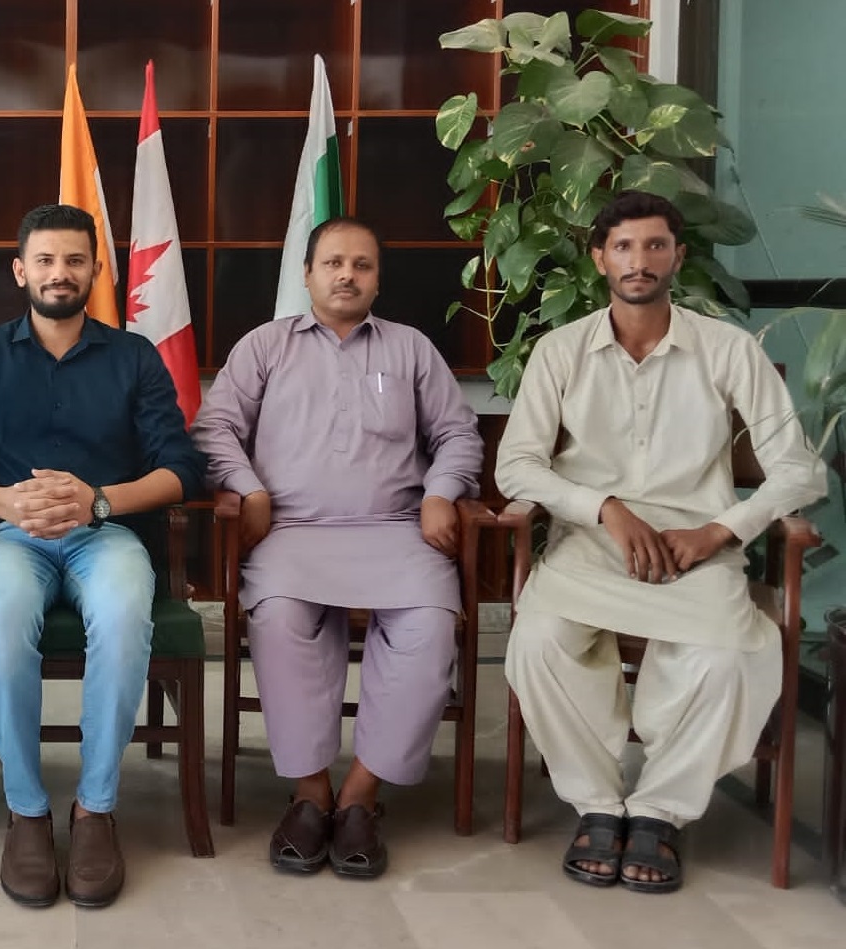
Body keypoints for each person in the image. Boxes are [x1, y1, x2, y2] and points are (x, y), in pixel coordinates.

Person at [496, 190, 827, 893]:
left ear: (677, 255)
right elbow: (515, 465)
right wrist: (604, 508)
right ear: (598, 258)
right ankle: (595, 801)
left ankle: (657, 811)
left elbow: (797, 466)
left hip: (692, 552)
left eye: (653, 245)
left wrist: (719, 529)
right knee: (537, 640)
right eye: (622, 246)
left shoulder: (727, 349)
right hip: (591, 549)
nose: (638, 260)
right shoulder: (560, 350)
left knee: (732, 655)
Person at [0, 204, 205, 908]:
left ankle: (95, 808)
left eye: (73, 260)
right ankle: (28, 810)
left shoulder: (133, 355)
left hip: (105, 533)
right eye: (44, 260)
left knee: (127, 612)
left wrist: (97, 501)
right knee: (4, 623)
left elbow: (181, 469)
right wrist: (5, 503)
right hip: (11, 536)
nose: (59, 273)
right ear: (20, 271)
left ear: (95, 271)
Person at [193, 216, 482, 879]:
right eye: (332, 263)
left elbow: (458, 432)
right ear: (306, 274)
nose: (346, 275)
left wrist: (440, 490)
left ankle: (360, 795)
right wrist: (248, 489)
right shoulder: (265, 345)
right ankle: (309, 790)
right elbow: (215, 429)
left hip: (394, 530)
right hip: (290, 531)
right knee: (281, 618)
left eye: (361, 264)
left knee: (430, 626)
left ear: (378, 278)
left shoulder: (410, 349)